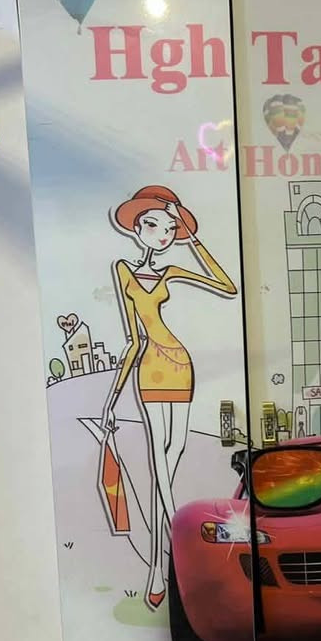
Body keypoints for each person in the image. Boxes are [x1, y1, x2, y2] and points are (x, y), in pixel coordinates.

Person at [101, 185, 237, 608]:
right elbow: (133, 340)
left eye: (169, 228)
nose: (162, 234)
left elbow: (227, 285)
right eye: (153, 225)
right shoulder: (123, 269)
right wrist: (111, 400)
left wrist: (192, 238)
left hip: (180, 364)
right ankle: (180, 547)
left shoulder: (171, 271)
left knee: (172, 454)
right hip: (150, 367)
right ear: (136, 227)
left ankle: (158, 571)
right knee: (159, 461)